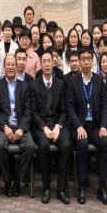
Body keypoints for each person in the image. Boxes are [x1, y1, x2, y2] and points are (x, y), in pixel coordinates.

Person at [67, 47, 107, 206]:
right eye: (83, 59)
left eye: (89, 59)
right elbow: (70, 107)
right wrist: (78, 127)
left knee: (106, 143)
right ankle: (81, 186)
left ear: (93, 61)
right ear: (79, 61)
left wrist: (104, 126)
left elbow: (105, 105)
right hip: (80, 127)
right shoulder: (73, 82)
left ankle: (102, 187)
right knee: (82, 144)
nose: (86, 62)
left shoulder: (99, 81)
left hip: (95, 127)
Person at [0, 54, 35, 198]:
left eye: (13, 64)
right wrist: (5, 127)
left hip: (20, 127)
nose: (10, 67)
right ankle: (7, 180)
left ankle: (18, 179)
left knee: (30, 146)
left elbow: (28, 111)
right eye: (8, 64)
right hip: (4, 127)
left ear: (17, 67)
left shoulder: (24, 86)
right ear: (4, 67)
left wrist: (22, 129)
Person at [30, 51, 70, 204]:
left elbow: (64, 110)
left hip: (57, 124)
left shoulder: (60, 84)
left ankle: (61, 189)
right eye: (44, 61)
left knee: (66, 145)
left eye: (49, 61)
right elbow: (33, 112)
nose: (47, 64)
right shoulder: (34, 85)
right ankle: (46, 187)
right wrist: (44, 127)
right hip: (41, 126)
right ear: (40, 64)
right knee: (44, 146)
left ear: (53, 63)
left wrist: (58, 126)